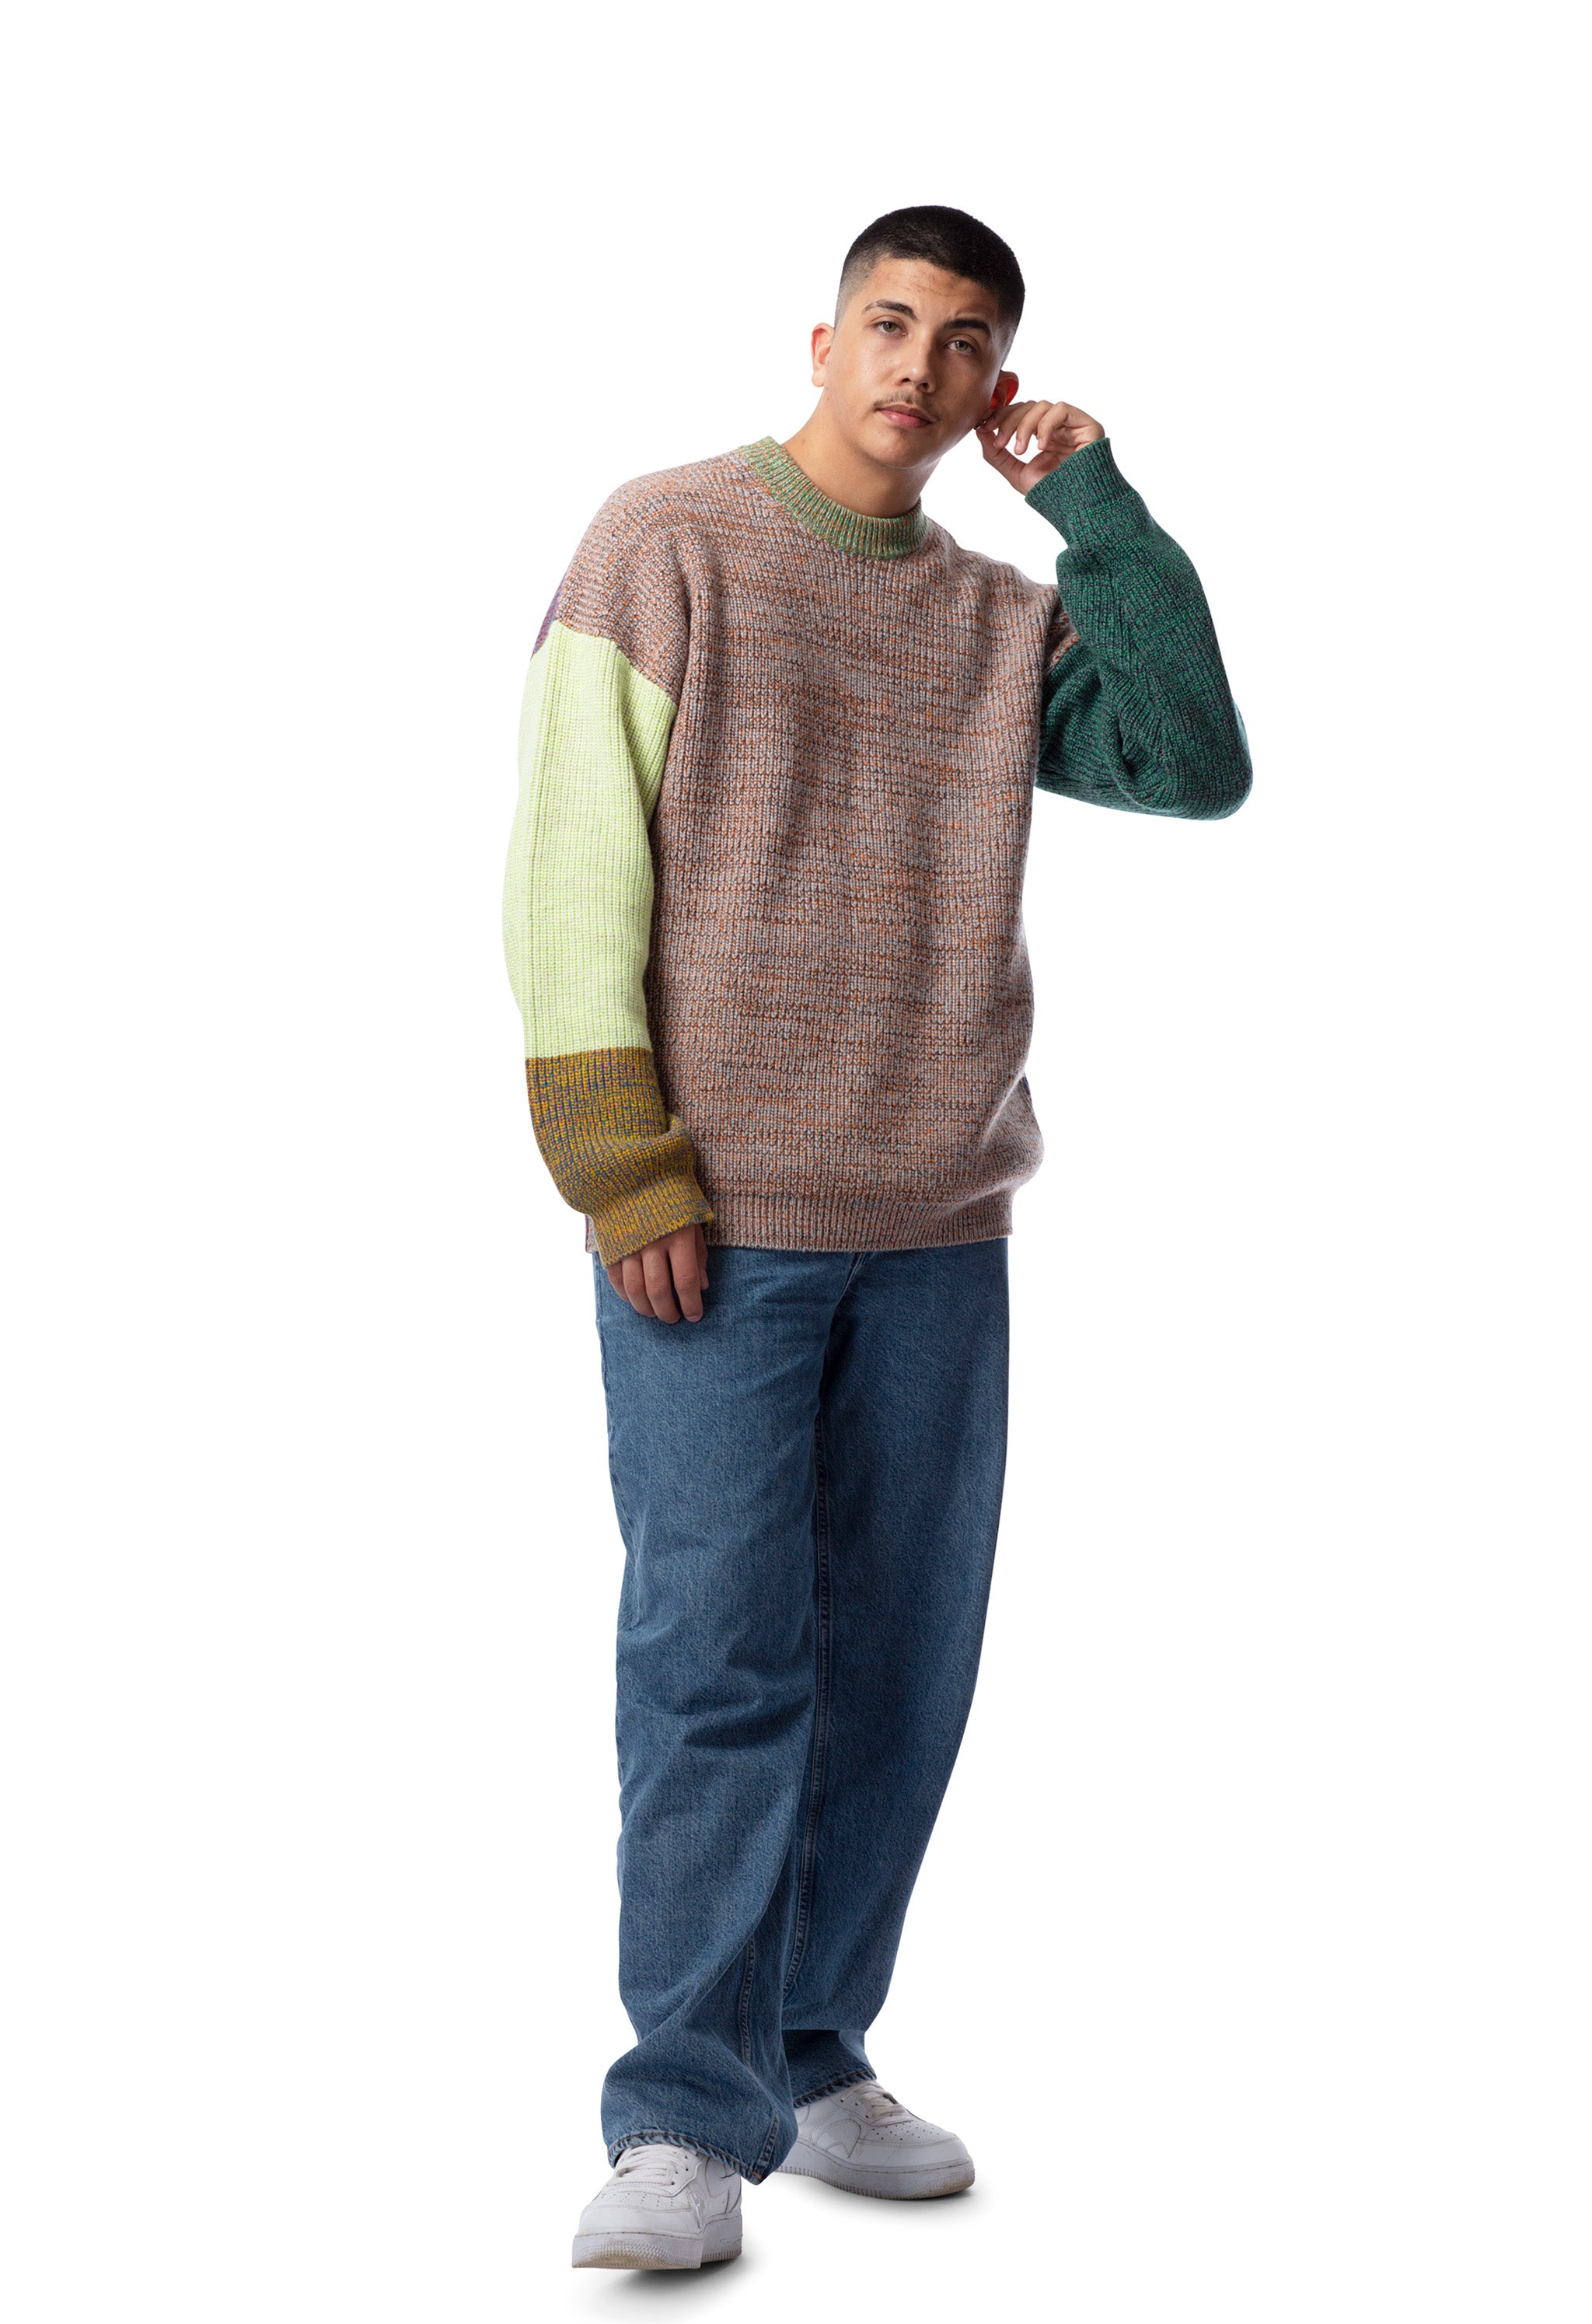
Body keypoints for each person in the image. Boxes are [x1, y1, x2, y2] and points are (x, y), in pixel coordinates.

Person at [501, 203, 1252, 2272]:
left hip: (936, 1216)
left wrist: (1099, 513)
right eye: (893, 321)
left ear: (997, 379)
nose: (922, 364)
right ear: (823, 339)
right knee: (718, 1660)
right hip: (715, 1217)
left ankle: (812, 2048)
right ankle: (684, 2111)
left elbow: (1197, 766)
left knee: (901, 1664)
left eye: (968, 339)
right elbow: (570, 851)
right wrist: (622, 1163)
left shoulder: (999, 622)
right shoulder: (663, 542)